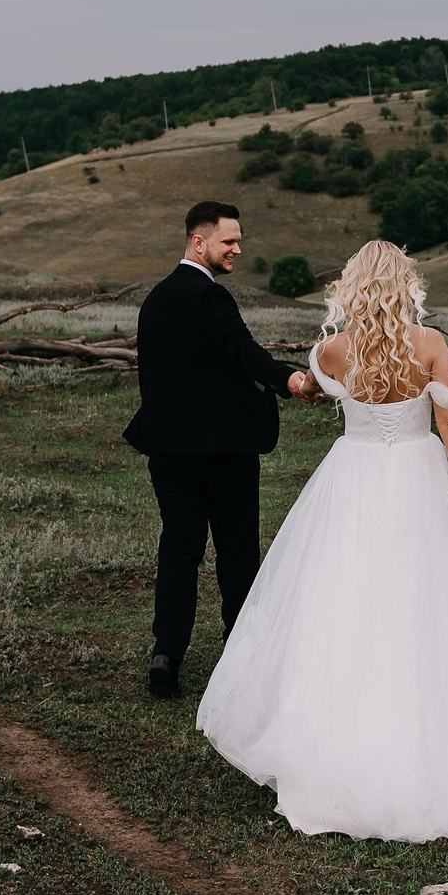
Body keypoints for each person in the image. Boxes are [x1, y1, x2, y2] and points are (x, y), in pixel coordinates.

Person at [196, 240, 448, 842]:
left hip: (352, 476)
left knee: (343, 597)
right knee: (431, 601)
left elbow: (318, 390)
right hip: (419, 478)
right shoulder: (430, 345)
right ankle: (444, 742)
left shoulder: (332, 351)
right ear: (406, 285)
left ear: (352, 288)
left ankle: (334, 743)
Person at [122, 200, 308, 700]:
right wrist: (288, 378)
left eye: (238, 240)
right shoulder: (211, 299)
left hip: (167, 450)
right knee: (237, 551)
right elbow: (243, 353)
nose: (238, 249)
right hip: (223, 452)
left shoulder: (155, 300)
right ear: (198, 241)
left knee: (180, 548)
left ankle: (167, 653)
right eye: (229, 241)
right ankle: (242, 654)